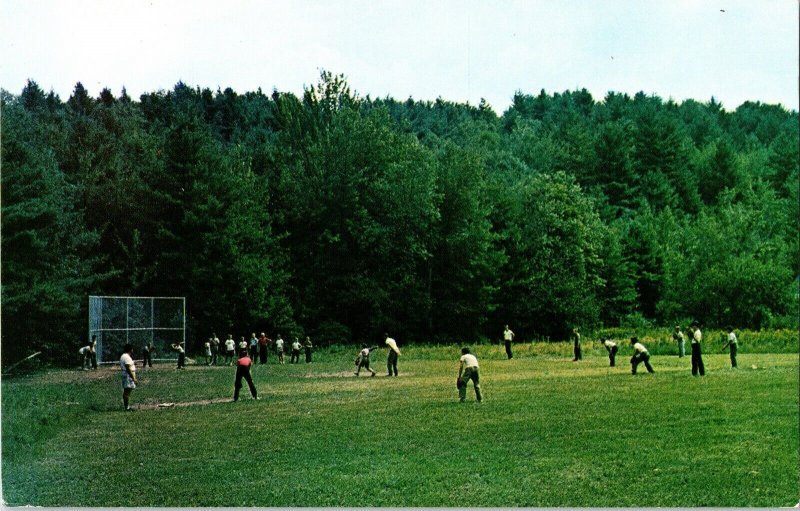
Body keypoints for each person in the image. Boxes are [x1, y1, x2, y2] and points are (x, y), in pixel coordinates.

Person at [120, 343, 138, 411]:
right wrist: (134, 378)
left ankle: (126, 406)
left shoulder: (125, 356)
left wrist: (133, 363)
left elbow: (128, 365)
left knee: (127, 391)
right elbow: (128, 368)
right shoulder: (126, 356)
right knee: (127, 392)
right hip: (128, 376)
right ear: (130, 349)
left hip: (127, 375)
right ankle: (127, 407)